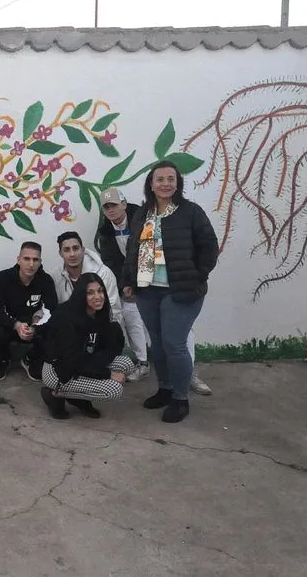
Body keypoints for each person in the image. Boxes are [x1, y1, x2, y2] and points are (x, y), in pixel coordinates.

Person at [122, 161, 219, 423]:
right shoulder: (143, 214)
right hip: (148, 290)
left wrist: (197, 276)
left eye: (171, 179)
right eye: (160, 179)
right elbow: (134, 249)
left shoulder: (191, 212)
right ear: (151, 184)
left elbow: (209, 247)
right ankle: (164, 389)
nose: (165, 184)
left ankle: (180, 398)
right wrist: (130, 280)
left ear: (178, 183)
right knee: (159, 344)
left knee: (175, 344)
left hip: (181, 291)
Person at [95, 187, 212, 393]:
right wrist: (127, 284)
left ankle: (189, 373)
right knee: (139, 322)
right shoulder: (105, 232)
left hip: (174, 283)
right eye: (106, 207)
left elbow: (200, 246)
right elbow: (115, 261)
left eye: (114, 204)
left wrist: (197, 275)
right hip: (141, 284)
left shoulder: (143, 216)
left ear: (124, 204)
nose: (111, 210)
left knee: (180, 331)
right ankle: (144, 364)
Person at [39, 273, 136, 420]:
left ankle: (77, 396)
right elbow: (72, 361)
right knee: (114, 389)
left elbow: (112, 348)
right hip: (59, 371)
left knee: (127, 364)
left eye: (100, 291)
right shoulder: (66, 317)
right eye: (90, 293)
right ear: (80, 295)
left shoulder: (99, 314)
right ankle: (55, 394)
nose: (97, 296)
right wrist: (107, 374)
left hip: (82, 362)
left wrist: (99, 362)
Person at [0, 242, 58, 381]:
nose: (31, 264)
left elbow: (52, 310)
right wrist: (16, 325)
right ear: (18, 259)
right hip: (11, 322)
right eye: (27, 259)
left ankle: (30, 359)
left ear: (40, 262)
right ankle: (4, 360)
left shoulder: (46, 280)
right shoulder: (3, 278)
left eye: (35, 259)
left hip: (33, 322)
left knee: (53, 329)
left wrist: (36, 326)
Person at [50, 231, 122, 322]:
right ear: (60, 253)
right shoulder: (55, 277)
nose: (72, 254)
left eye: (75, 248)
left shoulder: (103, 273)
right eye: (67, 250)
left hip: (104, 327)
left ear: (83, 250)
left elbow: (114, 310)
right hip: (73, 331)